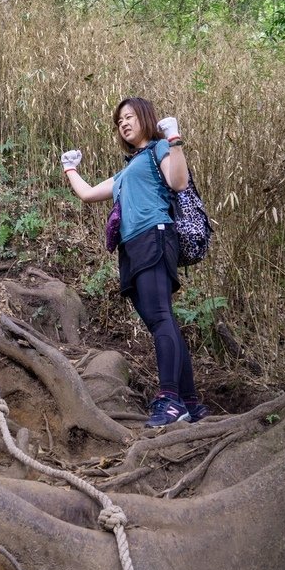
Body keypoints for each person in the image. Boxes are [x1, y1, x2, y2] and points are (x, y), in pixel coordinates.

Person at [61, 97, 209, 428]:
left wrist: (174, 140)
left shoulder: (157, 150)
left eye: (129, 117)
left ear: (145, 118)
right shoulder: (129, 168)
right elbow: (87, 194)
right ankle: (190, 403)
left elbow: (178, 181)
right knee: (162, 320)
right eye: (119, 121)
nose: (124, 123)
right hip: (132, 248)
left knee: (159, 318)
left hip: (155, 236)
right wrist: (69, 167)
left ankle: (170, 400)